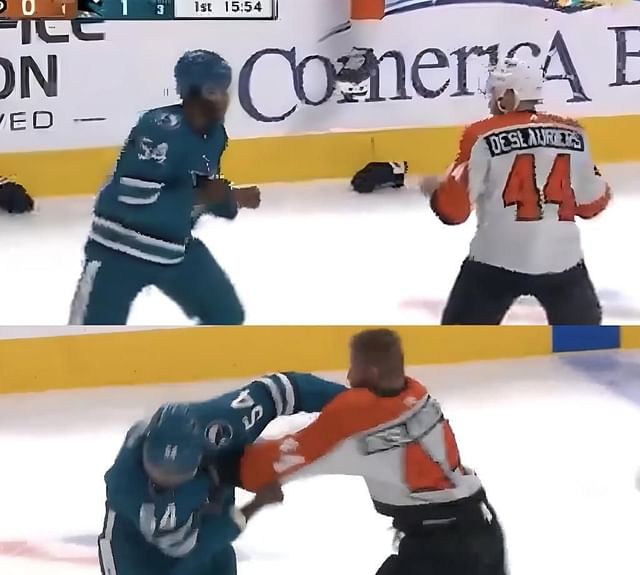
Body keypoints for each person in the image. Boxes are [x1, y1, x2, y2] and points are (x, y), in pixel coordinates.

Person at [236, 329, 507, 575]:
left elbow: (262, 469)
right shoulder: (417, 396)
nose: (350, 376)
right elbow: (372, 414)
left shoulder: (359, 426)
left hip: (441, 554)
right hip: (484, 528)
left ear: (373, 373)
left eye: (355, 367)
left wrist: (218, 456)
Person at [69, 49, 259, 325]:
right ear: (189, 92)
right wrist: (207, 195)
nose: (222, 99)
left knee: (226, 316)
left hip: (174, 249)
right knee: (87, 342)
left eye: (223, 90)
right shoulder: (159, 128)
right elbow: (131, 197)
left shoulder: (215, 135)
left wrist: (229, 200)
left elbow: (200, 191)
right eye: (212, 91)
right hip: (119, 251)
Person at [420, 57, 611, 325]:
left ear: (509, 95)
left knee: (459, 337)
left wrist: (435, 190)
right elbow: (592, 204)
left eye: (494, 93)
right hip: (562, 261)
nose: (490, 101)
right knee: (588, 344)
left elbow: (455, 211)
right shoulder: (574, 133)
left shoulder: (480, 134)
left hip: (496, 261)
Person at [99, 372, 346, 575]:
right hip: (136, 560)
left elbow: (284, 389)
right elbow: (196, 546)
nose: (165, 482)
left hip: (210, 548)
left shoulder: (223, 423)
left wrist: (355, 405)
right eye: (156, 472)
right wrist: (255, 505)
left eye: (178, 476)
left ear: (199, 453)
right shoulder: (128, 488)